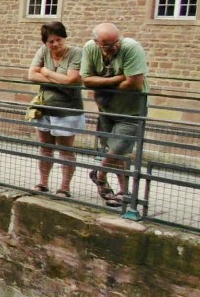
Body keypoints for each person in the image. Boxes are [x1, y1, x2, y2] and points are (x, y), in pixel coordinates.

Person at [81, 23, 149, 211]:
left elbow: (135, 83)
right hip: (106, 108)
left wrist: (101, 84)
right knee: (117, 152)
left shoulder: (131, 48)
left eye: (116, 42)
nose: (114, 47)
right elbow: (86, 79)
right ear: (97, 43)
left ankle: (99, 174)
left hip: (131, 111)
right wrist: (118, 78)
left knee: (117, 149)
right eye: (108, 45)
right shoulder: (89, 49)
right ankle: (124, 191)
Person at [27, 22, 86, 197]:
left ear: (64, 38)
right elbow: (31, 75)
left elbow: (72, 80)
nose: (54, 45)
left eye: (58, 40)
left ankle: (64, 187)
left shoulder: (77, 53)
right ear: (45, 42)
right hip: (44, 106)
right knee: (45, 148)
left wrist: (46, 72)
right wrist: (58, 79)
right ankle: (43, 183)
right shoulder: (43, 51)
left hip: (67, 109)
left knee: (66, 150)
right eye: (50, 41)